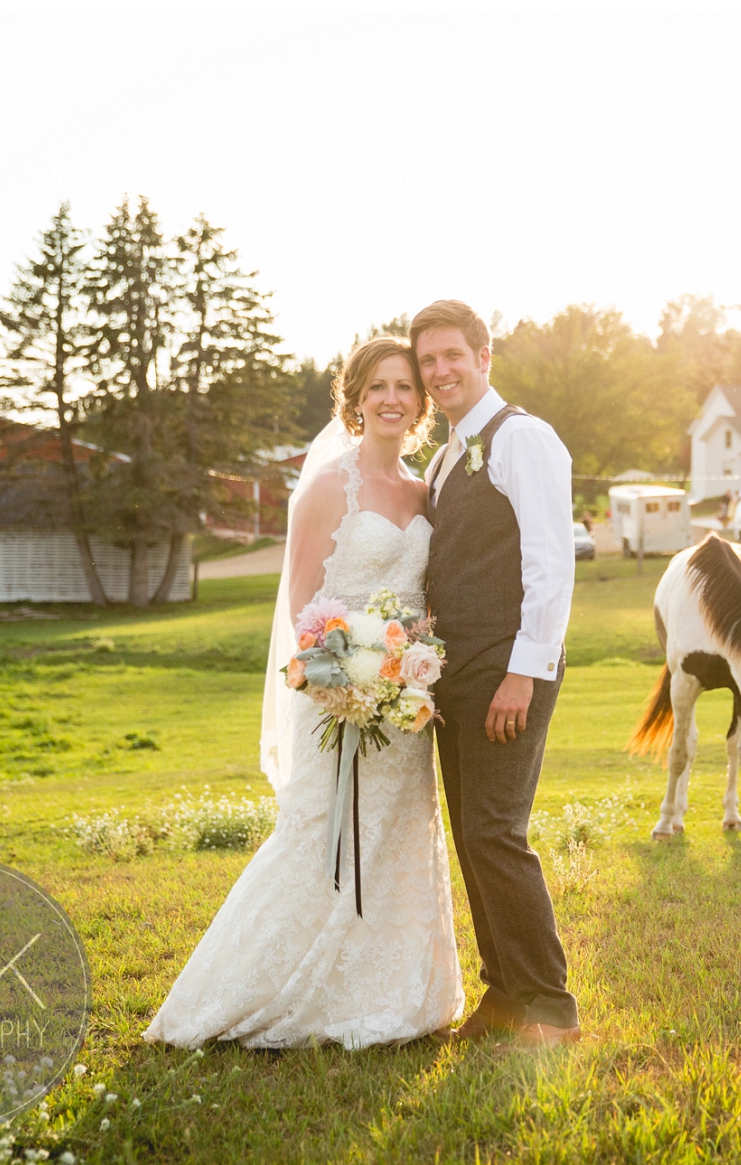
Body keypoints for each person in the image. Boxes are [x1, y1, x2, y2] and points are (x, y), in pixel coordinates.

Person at [146, 337, 464, 1050]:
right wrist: (352, 678)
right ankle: (241, 994)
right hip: (336, 697)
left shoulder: (425, 490)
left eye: (405, 386)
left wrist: (405, 667)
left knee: (397, 843)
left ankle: (391, 993)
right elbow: (302, 609)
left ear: (420, 402)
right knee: (316, 840)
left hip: (406, 706)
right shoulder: (328, 487)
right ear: (355, 399)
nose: (392, 397)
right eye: (377, 385)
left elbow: (425, 600)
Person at [410, 298, 586, 1050]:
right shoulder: (448, 455)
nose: (440, 371)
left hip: (510, 665)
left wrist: (524, 672)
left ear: (484, 356)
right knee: (471, 834)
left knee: (497, 831)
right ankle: (505, 994)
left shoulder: (524, 438)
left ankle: (551, 1004)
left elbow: (552, 560)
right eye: (428, 362)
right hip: (456, 671)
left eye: (453, 354)